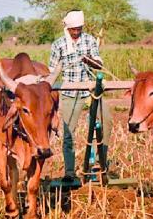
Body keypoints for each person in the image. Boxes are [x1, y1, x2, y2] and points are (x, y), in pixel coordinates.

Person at [48, 10, 112, 182]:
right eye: (73, 29)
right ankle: (69, 171)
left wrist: (89, 60)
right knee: (68, 133)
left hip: (91, 90)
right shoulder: (58, 45)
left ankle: (100, 163)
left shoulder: (90, 40)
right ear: (67, 28)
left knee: (106, 121)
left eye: (79, 29)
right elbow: (51, 72)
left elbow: (98, 64)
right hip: (69, 92)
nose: (76, 32)